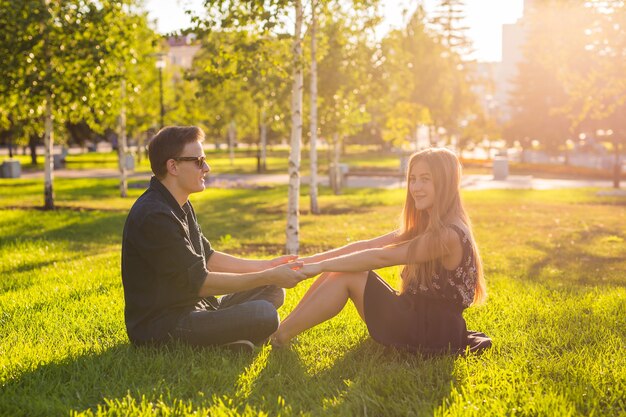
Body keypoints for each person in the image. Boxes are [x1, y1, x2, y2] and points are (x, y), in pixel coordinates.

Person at [272, 148, 491, 354]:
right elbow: (367, 246)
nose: (416, 187)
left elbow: (381, 256)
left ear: (445, 183)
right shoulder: (428, 224)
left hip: (430, 332)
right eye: (413, 179)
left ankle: (279, 337)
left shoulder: (448, 234)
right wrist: (306, 261)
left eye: (426, 179)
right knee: (340, 268)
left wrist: (318, 267)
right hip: (416, 317)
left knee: (348, 273)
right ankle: (281, 331)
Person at [121, 126, 308, 351]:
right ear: (173, 166)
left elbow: (207, 257)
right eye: (199, 161)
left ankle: (226, 340)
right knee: (264, 314)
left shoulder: (179, 203)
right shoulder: (154, 216)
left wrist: (266, 267)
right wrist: (264, 274)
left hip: (196, 308)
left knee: (273, 288)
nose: (206, 168)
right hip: (164, 326)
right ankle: (220, 343)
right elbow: (200, 282)